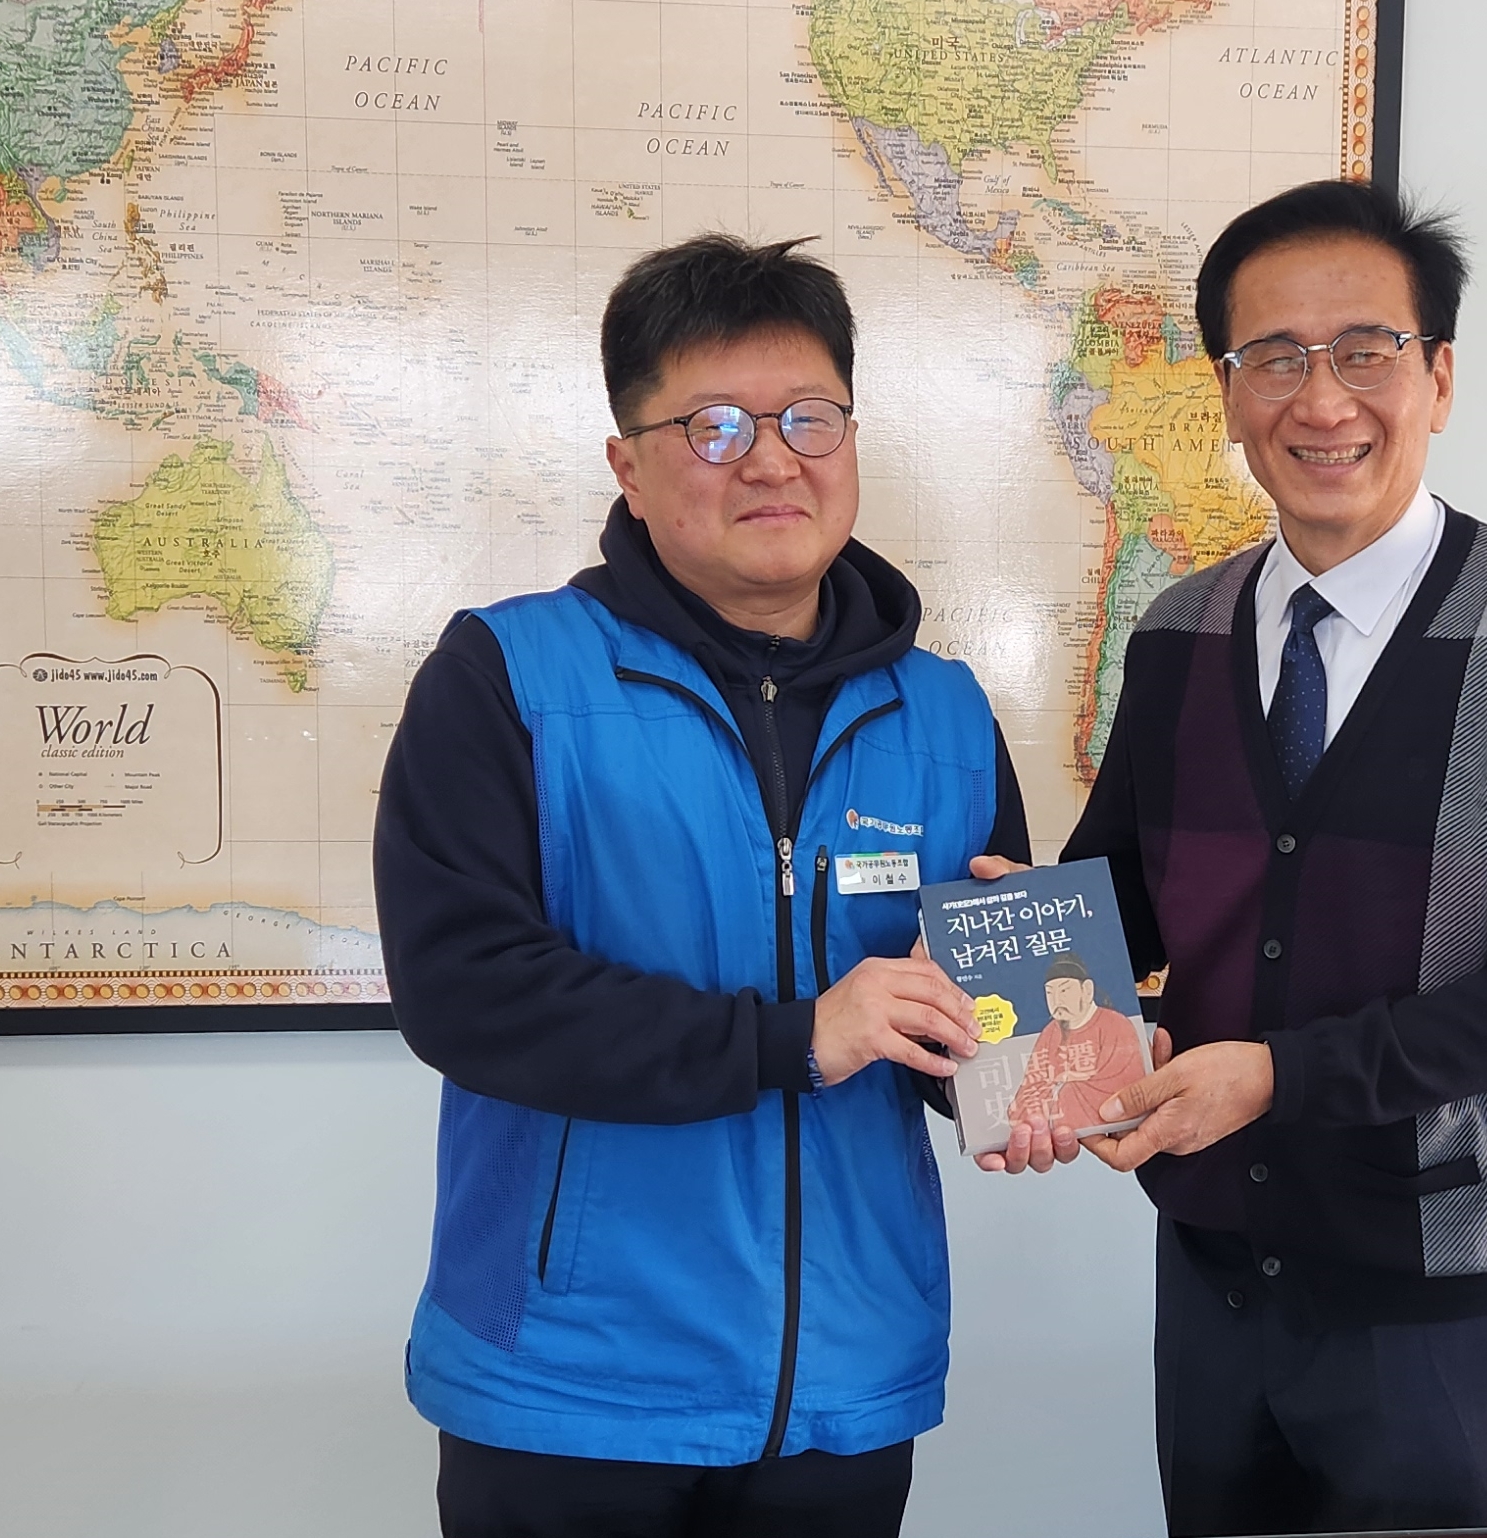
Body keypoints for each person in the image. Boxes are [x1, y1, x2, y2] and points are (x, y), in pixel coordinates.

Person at [373, 234, 1031, 1538]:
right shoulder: (507, 676)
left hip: (849, 1378)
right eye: (714, 424)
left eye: (808, 417)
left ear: (851, 437)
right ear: (628, 461)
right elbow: (466, 991)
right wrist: (795, 1037)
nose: (772, 459)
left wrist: (1039, 1064)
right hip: (569, 1384)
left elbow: (952, 1028)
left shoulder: (946, 712)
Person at [1054, 180, 1487, 1534]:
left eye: (1364, 351)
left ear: (1436, 377)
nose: (1319, 398)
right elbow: (1127, 894)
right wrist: (1023, 947)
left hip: (1443, 1288)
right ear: (1226, 393)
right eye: (1273, 356)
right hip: (1214, 1271)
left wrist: (1280, 1076)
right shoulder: (1179, 630)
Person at [1010, 954, 1145, 1133]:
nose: (1056, 1001)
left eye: (1064, 991)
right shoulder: (1051, 1032)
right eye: (1050, 993)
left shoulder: (1117, 1025)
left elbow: (1122, 1084)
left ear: (1087, 990)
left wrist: (1063, 1086)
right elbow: (1030, 1086)